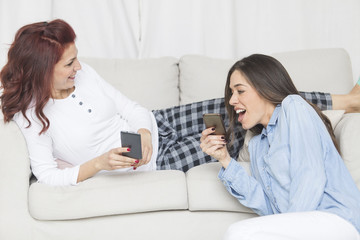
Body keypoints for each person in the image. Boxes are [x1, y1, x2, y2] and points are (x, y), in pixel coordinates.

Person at [1, 19, 359, 187]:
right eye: (69, 64)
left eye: (77, 58)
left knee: (249, 94)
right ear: (42, 69)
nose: (79, 67)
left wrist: (144, 129)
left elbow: (130, 106)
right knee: (235, 133)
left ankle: (344, 100)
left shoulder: (85, 74)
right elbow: (47, 176)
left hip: (161, 122)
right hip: (155, 161)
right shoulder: (30, 118)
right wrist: (98, 164)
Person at [200, 54, 360, 239]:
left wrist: (289, 225)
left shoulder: (293, 107)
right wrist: (225, 159)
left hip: (336, 220)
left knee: (238, 232)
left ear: (265, 88)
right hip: (302, 225)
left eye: (240, 91)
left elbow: (310, 176)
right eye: (231, 93)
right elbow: (268, 206)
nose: (231, 101)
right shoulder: (258, 145)